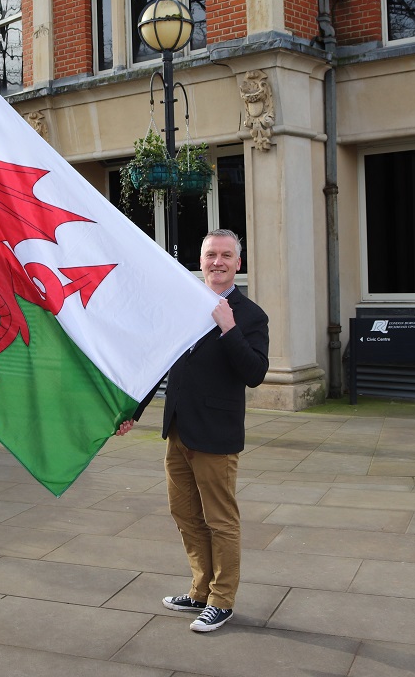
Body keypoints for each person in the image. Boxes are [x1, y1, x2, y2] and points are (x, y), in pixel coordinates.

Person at [116, 229, 268, 633]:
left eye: (225, 255)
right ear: (200, 261)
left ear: (238, 262)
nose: (217, 262)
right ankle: (200, 590)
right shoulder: (181, 306)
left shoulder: (250, 315)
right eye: (210, 255)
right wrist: (134, 410)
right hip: (178, 430)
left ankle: (222, 600)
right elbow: (158, 362)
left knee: (220, 520)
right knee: (184, 513)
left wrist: (229, 328)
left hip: (216, 435)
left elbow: (255, 373)